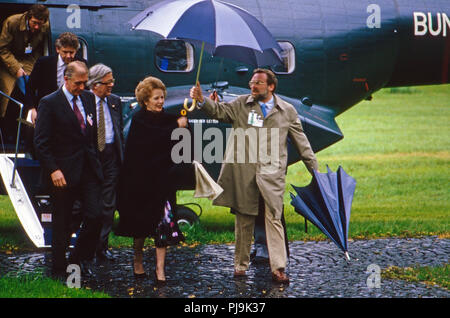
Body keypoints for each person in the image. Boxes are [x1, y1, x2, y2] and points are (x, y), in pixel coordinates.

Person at [190, 68, 319, 283]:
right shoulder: (242, 104)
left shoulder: (287, 111)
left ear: (271, 86)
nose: (253, 86)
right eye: (252, 82)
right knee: (244, 219)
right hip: (244, 172)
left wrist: (316, 173)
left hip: (272, 175)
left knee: (274, 219)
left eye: (258, 83)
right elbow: (220, 112)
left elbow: (303, 144)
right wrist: (202, 100)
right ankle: (240, 266)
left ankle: (278, 268)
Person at [34, 61, 103, 278]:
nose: (82, 87)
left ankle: (77, 258)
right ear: (66, 78)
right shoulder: (49, 103)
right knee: (62, 222)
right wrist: (53, 169)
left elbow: (91, 134)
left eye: (85, 83)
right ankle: (58, 268)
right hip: (61, 173)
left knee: (96, 215)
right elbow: (41, 142)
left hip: (87, 170)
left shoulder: (88, 98)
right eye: (78, 83)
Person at [116, 76, 187, 283]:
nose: (160, 101)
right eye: (156, 98)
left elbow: (179, 145)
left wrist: (183, 127)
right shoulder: (139, 120)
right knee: (140, 227)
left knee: (162, 225)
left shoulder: (168, 119)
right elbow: (154, 139)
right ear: (145, 100)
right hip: (141, 183)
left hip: (163, 182)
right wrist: (176, 127)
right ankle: (138, 259)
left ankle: (159, 269)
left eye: (162, 97)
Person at [87, 63, 123, 262]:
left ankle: (102, 246)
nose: (111, 85)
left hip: (110, 157)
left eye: (112, 81)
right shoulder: (84, 101)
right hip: (91, 157)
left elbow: (118, 131)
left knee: (109, 205)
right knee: (91, 207)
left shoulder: (115, 101)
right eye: (108, 82)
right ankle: (86, 246)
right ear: (95, 84)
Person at [0, 4, 49, 118]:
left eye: (39, 24)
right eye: (34, 23)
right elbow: (2, 49)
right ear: (28, 17)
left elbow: (38, 50)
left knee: (32, 84)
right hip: (7, 60)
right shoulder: (12, 22)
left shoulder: (45, 27)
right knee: (7, 90)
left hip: (28, 59)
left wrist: (32, 67)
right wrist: (16, 68)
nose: (37, 27)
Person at [26, 32, 86, 124]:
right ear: (57, 49)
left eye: (71, 52)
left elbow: (86, 89)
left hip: (72, 111)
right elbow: (30, 88)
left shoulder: (81, 64)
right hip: (47, 110)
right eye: (65, 52)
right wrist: (32, 109)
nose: (68, 56)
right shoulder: (43, 63)